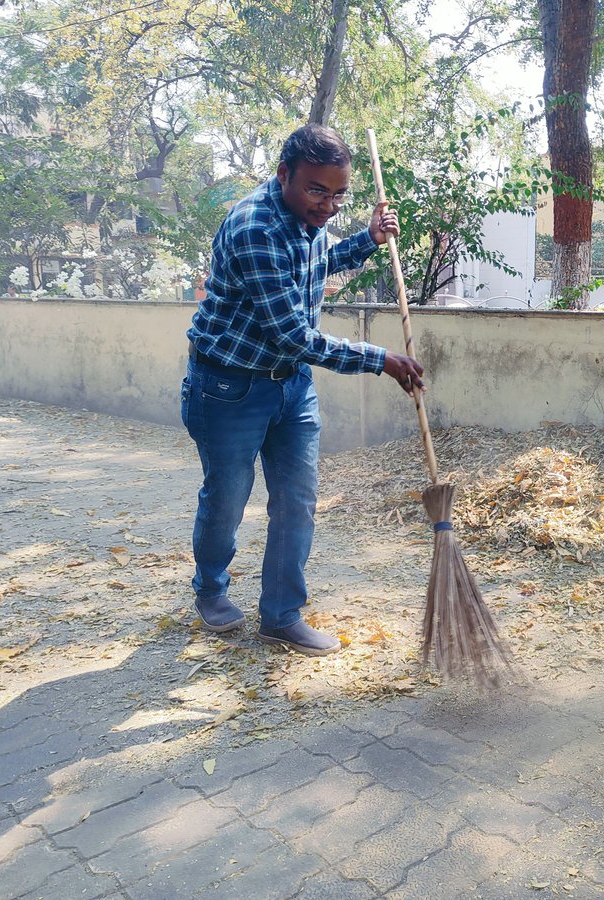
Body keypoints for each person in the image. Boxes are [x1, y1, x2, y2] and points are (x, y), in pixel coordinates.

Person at [181, 123, 424, 656]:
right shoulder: (255, 227)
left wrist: (369, 240)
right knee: (228, 499)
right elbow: (292, 334)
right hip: (228, 387)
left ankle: (281, 615)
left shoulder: (306, 219)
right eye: (318, 190)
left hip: (291, 386)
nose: (329, 206)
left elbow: (320, 261)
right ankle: (210, 590)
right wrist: (379, 358)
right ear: (284, 174)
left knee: (298, 499)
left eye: (340, 194)